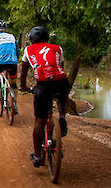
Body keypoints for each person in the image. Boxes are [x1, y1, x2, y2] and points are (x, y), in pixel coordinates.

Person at [20, 26, 70, 168]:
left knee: (39, 121)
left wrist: (23, 86)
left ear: (31, 39)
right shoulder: (57, 48)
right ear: (47, 38)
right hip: (61, 81)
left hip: (43, 85)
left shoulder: (28, 50)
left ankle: (37, 156)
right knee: (62, 94)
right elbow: (61, 66)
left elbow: (23, 72)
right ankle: (62, 115)